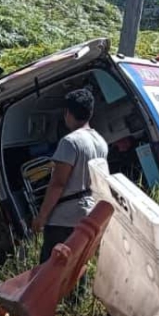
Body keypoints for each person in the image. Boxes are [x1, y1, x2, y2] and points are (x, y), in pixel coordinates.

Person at [31, 88, 109, 265]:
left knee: (50, 270)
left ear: (68, 113)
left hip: (64, 219)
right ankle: (76, 294)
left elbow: (58, 183)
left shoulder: (70, 142)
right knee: (77, 267)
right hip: (88, 213)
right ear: (90, 112)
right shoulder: (100, 142)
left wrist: (42, 217)